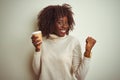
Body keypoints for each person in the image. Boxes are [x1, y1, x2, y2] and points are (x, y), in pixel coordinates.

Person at [31, 3, 96, 80]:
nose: (64, 26)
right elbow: (37, 72)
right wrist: (37, 49)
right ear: (50, 24)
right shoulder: (43, 43)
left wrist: (87, 52)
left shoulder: (73, 42)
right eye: (60, 22)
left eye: (66, 22)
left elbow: (80, 77)